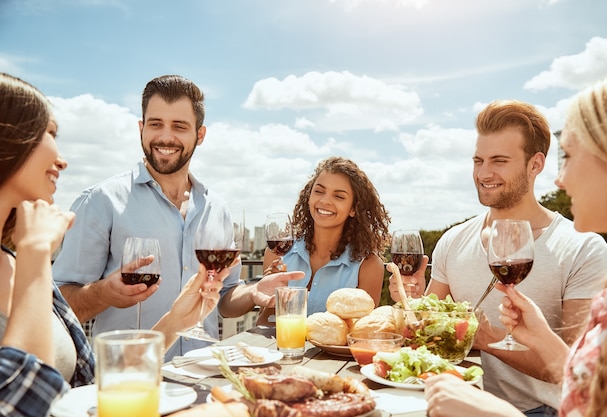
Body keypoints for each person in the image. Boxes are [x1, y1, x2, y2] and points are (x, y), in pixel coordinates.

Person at [0, 72, 226, 417]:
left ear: (199, 135)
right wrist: (38, 254)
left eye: (179, 126)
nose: (62, 159)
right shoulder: (38, 249)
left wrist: (173, 323)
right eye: (49, 134)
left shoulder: (12, 262)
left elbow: (87, 383)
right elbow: (25, 398)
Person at [391, 99, 607, 415]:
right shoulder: (454, 240)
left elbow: (579, 373)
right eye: (478, 160)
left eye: (499, 160)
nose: (484, 173)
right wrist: (410, 300)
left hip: (538, 410)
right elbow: (423, 335)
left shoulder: (582, 248)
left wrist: (490, 339)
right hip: (455, 398)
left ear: (535, 164)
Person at [51, 74, 245, 360]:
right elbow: (57, 310)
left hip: (205, 380)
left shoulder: (218, 208)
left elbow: (226, 300)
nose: (166, 137)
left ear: (200, 135)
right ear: (141, 128)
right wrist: (104, 293)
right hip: (130, 383)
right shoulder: (100, 201)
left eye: (179, 126)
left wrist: (254, 294)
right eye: (156, 124)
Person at [219, 156, 391, 323]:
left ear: (354, 208)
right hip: (275, 350)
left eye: (338, 196)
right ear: (309, 197)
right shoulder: (278, 252)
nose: (325, 200)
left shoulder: (368, 265)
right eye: (319, 191)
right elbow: (264, 322)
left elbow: (362, 333)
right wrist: (265, 294)